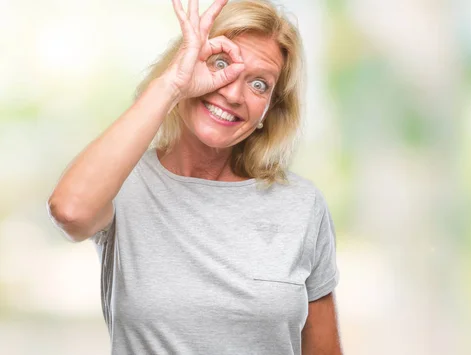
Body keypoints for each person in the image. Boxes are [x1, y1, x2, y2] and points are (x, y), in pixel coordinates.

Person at [47, 0, 342, 354]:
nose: (233, 93)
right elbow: (70, 211)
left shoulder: (301, 205)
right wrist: (172, 83)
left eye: (259, 85)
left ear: (269, 111)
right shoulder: (124, 183)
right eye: (221, 63)